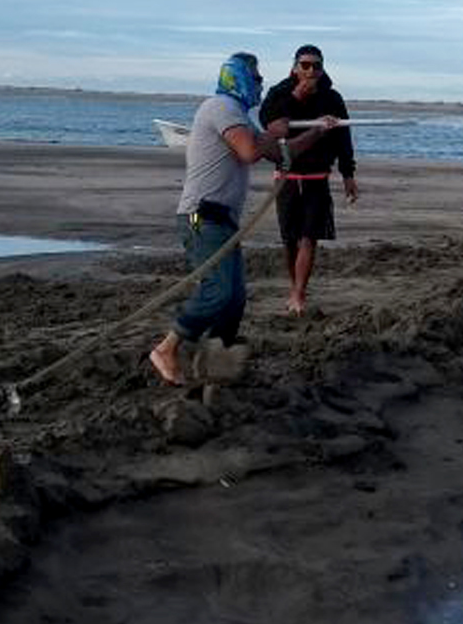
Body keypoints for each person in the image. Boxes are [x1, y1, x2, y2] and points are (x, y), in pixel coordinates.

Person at [146, 52, 336, 386]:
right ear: (241, 77)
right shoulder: (220, 108)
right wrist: (274, 130)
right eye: (258, 77)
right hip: (199, 217)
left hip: (222, 220)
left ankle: (215, 359)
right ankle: (167, 348)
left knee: (235, 298)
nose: (262, 83)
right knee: (218, 291)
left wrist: (318, 131)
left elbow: (280, 153)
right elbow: (250, 152)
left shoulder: (242, 119)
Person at [257, 44, 357, 315]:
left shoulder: (332, 98)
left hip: (317, 175)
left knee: (308, 237)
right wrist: (295, 98)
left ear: (323, 68)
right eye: (305, 65)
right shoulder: (279, 92)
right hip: (287, 174)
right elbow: (267, 120)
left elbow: (343, 139)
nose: (311, 70)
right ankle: (294, 287)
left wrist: (348, 175)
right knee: (290, 239)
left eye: (316, 65)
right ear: (295, 67)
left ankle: (299, 292)